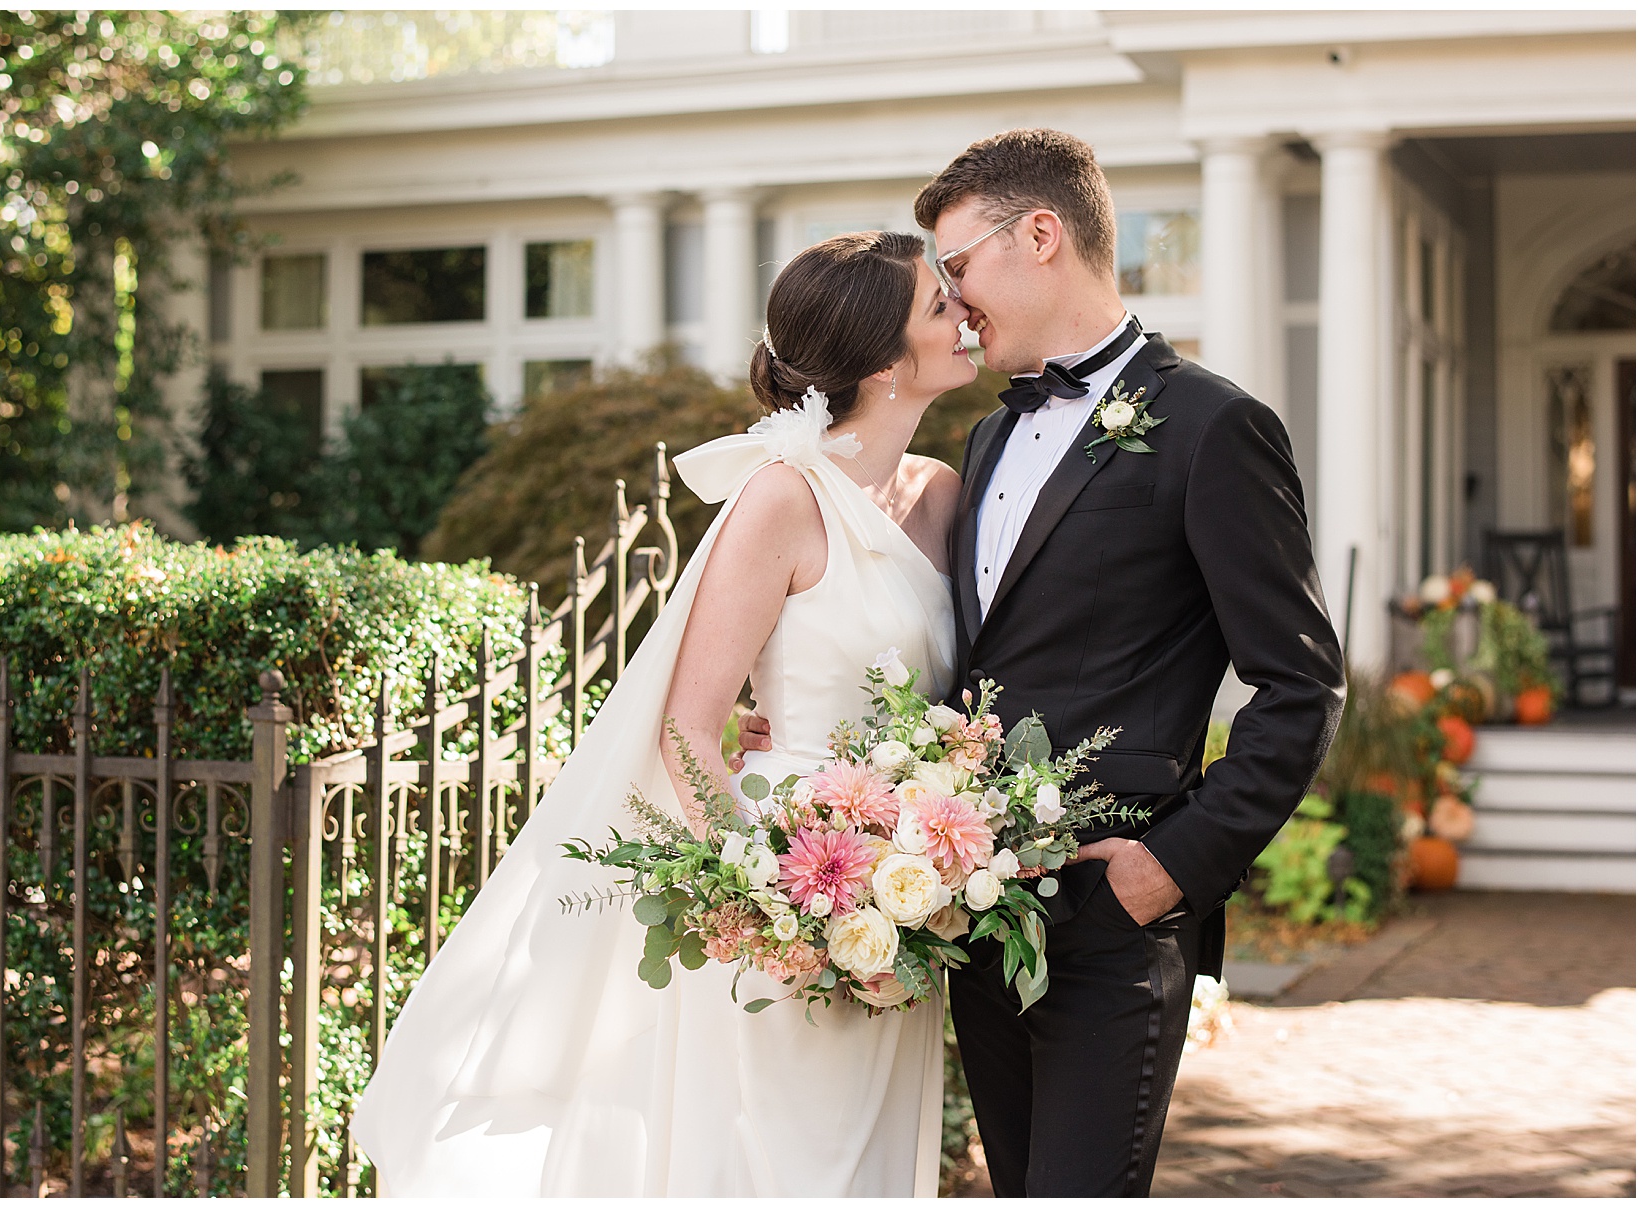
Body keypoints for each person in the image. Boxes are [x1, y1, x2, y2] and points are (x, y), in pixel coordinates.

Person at [738, 127, 1346, 1196]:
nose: (956, 300)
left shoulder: (1215, 428)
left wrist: (1174, 868)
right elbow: (968, 662)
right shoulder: (981, 441)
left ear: (1044, 235)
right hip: (971, 911)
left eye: (961, 267)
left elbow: (1303, 683)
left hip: (1116, 918)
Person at [350, 230, 978, 1196]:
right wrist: (771, 907)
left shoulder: (940, 494)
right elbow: (687, 727)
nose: (965, 312)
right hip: (792, 884)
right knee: (775, 1164)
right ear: (887, 363)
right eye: (941, 305)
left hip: (906, 896)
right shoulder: (781, 501)